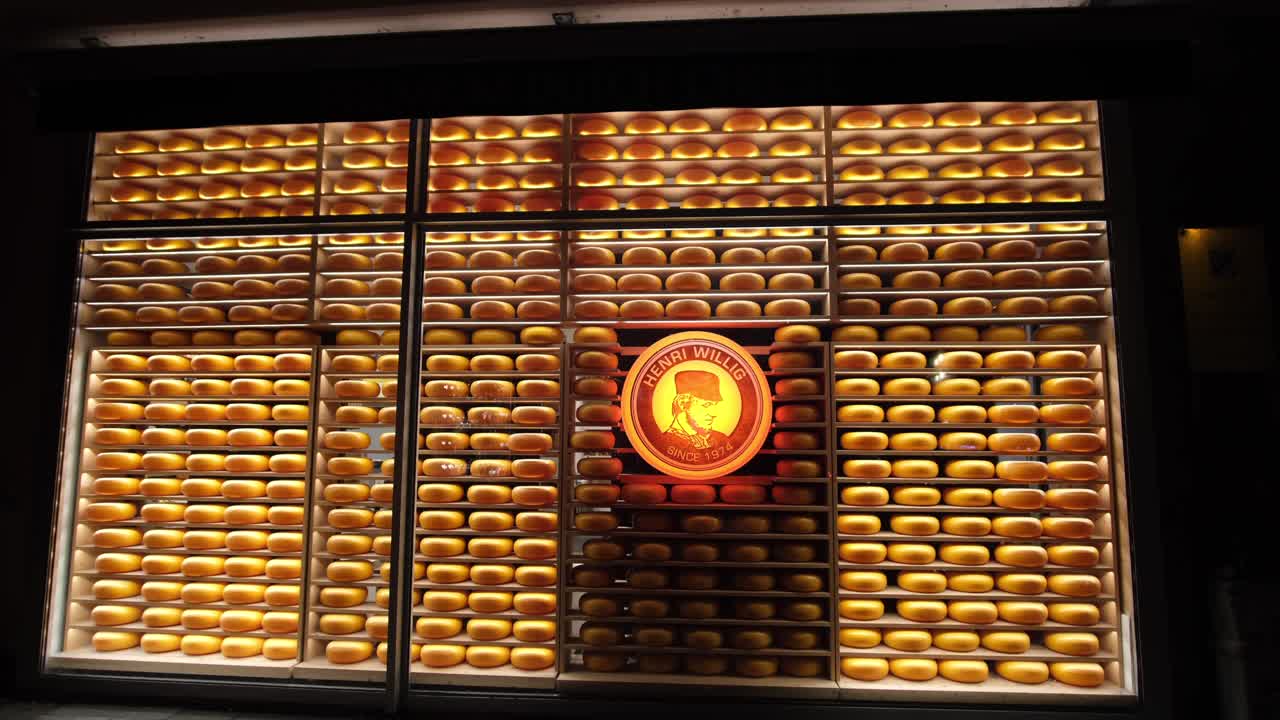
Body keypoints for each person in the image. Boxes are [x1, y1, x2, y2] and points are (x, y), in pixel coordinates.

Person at [661, 370, 729, 451]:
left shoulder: (721, 439)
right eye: (706, 405)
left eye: (715, 405)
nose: (714, 414)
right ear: (682, 404)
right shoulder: (665, 444)